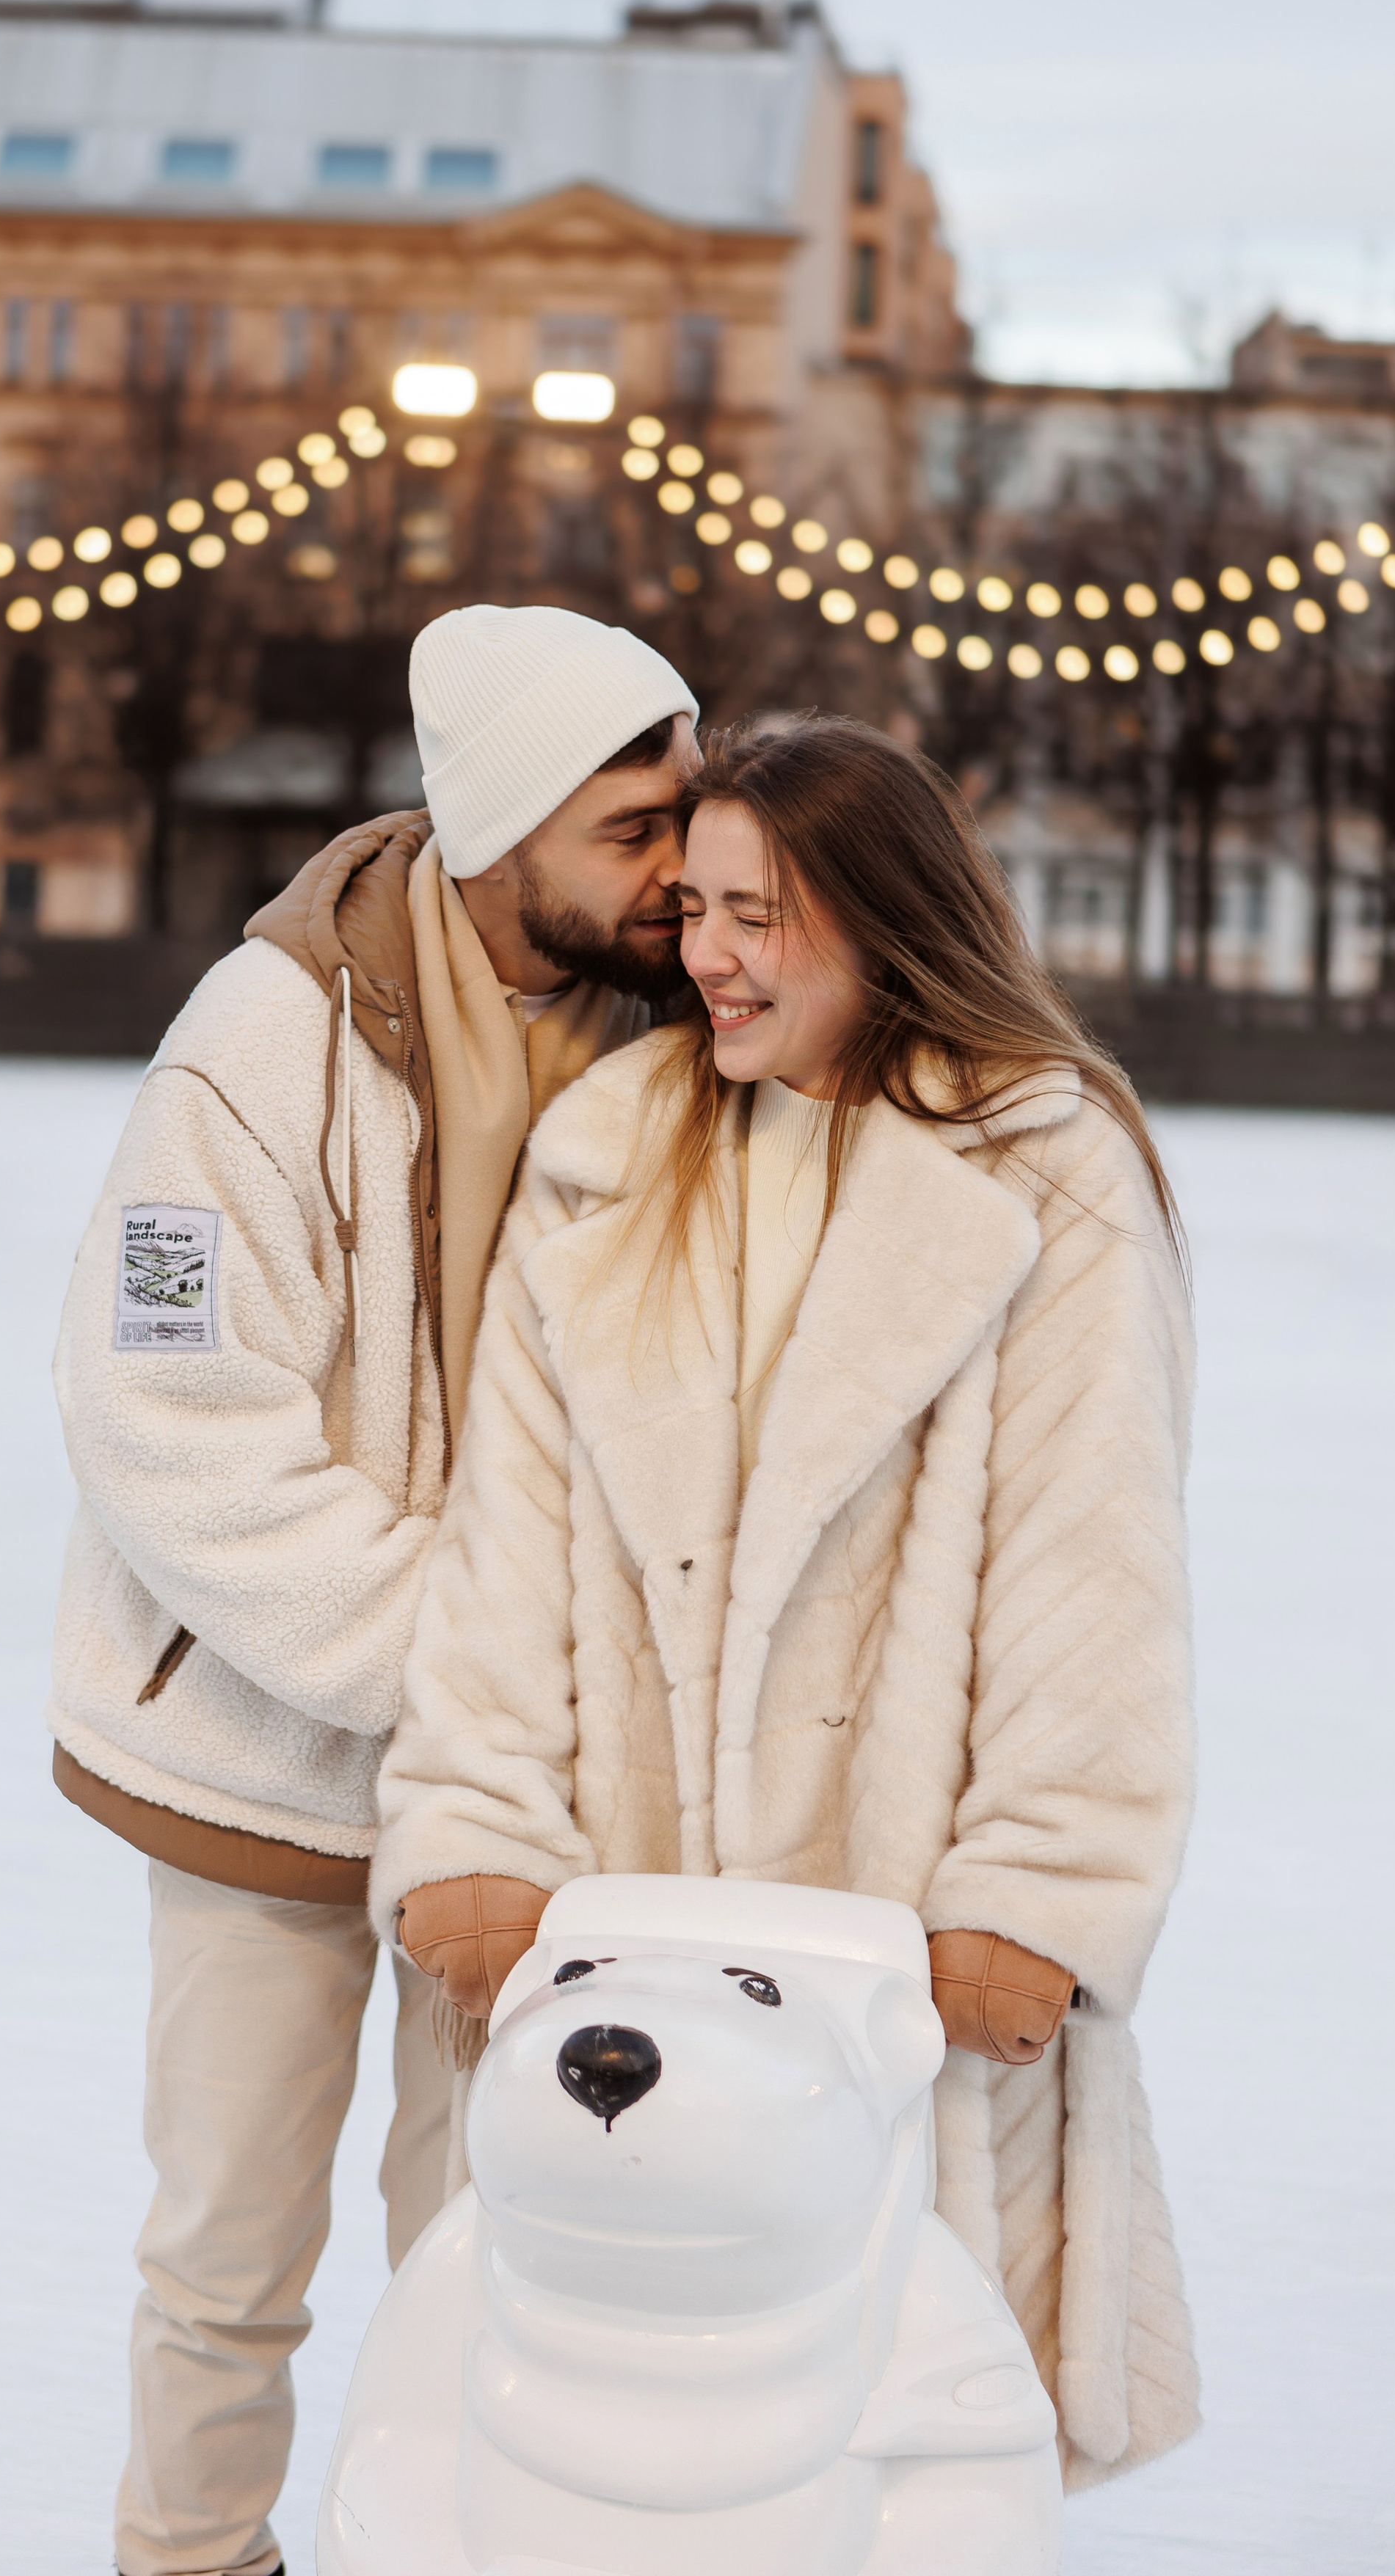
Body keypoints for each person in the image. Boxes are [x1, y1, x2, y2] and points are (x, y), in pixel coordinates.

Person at [376, 713, 1200, 2492]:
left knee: (893, 2445)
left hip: (904, 1952)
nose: (708, 957)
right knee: (603, 2449)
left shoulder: (1046, 1173)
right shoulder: (608, 1159)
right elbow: (507, 1552)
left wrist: (1038, 1888)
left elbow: (1093, 1570)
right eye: (694, 910)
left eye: (759, 915)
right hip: (628, 1926)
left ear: (885, 920)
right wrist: (473, 1826)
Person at [47, 601, 700, 2576]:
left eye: (688, 815)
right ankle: (193, 2559)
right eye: (633, 828)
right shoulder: (258, 1047)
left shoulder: (684, 1045)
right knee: (226, 2260)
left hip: (532, 1798)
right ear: (498, 828)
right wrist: (464, 1656)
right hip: (264, 1765)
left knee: (494, 2255)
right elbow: (170, 1414)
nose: (681, 868)